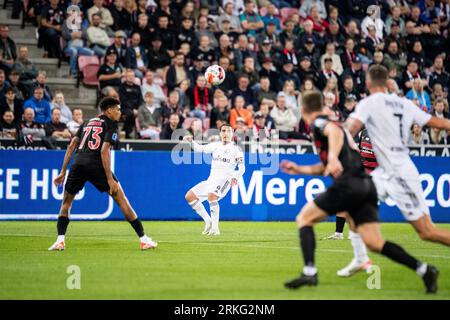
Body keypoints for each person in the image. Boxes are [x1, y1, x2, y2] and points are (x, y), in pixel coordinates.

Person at [282, 91, 438, 294]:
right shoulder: (333, 125)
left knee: (304, 219)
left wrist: (332, 158)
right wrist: (300, 169)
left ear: (303, 110)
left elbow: (334, 134)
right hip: (366, 185)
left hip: (349, 184)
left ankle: (309, 272)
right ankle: (424, 269)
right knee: (374, 242)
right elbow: (325, 165)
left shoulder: (320, 123)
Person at [340, 64, 450, 280]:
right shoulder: (404, 104)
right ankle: (361, 258)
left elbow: (350, 129)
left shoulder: (369, 103)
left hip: (401, 173)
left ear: (369, 82)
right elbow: (437, 122)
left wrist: (330, 131)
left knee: (427, 232)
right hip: (384, 173)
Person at [49, 97, 158, 251]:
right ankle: (143, 239)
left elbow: (72, 145)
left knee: (66, 203)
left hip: (78, 164)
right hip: (96, 164)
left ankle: (60, 240)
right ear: (109, 110)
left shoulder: (86, 122)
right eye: (117, 109)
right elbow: (104, 150)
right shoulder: (111, 124)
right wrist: (109, 179)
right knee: (122, 200)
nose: (120, 113)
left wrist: (63, 171)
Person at [184, 123, 245, 235]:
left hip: (224, 180)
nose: (225, 133)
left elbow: (242, 168)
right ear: (220, 133)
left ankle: (215, 229)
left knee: (212, 196)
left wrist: (235, 177)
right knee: (189, 196)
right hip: (211, 180)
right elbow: (199, 148)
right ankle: (208, 221)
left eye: (228, 131)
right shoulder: (215, 145)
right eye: (223, 131)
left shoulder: (236, 149)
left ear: (232, 134)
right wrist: (191, 141)